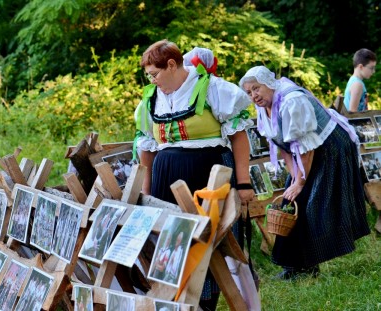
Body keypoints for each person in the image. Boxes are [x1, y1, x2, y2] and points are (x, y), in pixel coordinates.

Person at [134, 40, 255, 310]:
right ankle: (174, 301)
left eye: (155, 74)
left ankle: (206, 300)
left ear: (172, 65)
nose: (152, 81)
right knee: (171, 241)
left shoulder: (212, 89)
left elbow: (239, 137)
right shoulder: (150, 101)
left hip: (207, 175)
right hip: (167, 178)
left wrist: (244, 182)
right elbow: (147, 149)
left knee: (208, 239)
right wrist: (146, 191)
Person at [239, 65, 371, 280]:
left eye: (256, 89)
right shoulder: (264, 107)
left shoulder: (292, 102)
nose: (254, 95)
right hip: (307, 151)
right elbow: (284, 147)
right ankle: (296, 267)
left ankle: (306, 267)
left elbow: (305, 148)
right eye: (249, 92)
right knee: (292, 203)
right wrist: (294, 179)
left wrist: (299, 183)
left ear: (269, 84)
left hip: (330, 147)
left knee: (312, 204)